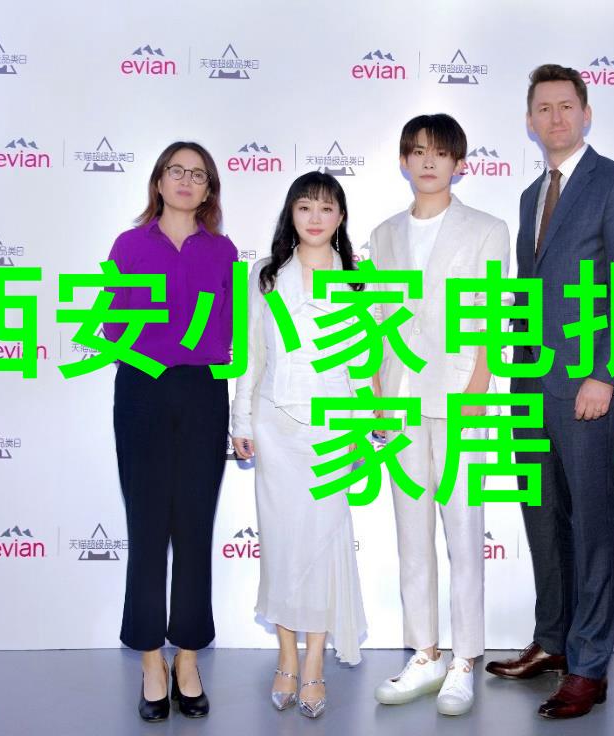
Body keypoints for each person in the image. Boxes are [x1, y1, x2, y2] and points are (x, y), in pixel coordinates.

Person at [484, 64, 614, 720]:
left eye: (565, 106)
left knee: (591, 521)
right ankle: (552, 639)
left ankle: (588, 665)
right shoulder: (532, 194)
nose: (554, 118)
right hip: (530, 378)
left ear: (586, 113)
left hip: (588, 382)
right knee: (542, 515)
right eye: (542, 109)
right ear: (529, 121)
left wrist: (608, 374)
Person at [368, 113, 510, 716]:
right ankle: (424, 653)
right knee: (411, 534)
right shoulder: (383, 235)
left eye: (440, 152)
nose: (428, 161)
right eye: (418, 151)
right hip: (400, 399)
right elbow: (377, 321)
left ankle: (464, 659)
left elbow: (494, 312)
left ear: (460, 163)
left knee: (463, 533)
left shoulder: (487, 229)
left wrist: (478, 390)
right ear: (404, 161)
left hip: (459, 396)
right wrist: (377, 394)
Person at [105, 141, 236, 721]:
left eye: (198, 175)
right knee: (147, 527)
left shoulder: (223, 251)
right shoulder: (129, 245)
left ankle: (187, 657)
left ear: (208, 190)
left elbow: (230, 329)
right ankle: (150, 661)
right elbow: (112, 324)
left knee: (194, 528)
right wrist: (158, 345)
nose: (186, 180)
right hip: (143, 390)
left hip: (203, 391)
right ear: (158, 181)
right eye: (176, 171)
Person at [231, 172, 368, 720]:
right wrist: (241, 419)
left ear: (340, 218)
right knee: (283, 544)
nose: (315, 217)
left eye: (327, 208)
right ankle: (286, 656)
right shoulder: (264, 275)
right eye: (305, 206)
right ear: (291, 213)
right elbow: (251, 354)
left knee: (324, 545)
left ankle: (314, 662)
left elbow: (363, 361)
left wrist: (371, 419)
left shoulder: (359, 280)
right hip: (275, 424)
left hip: (333, 426)